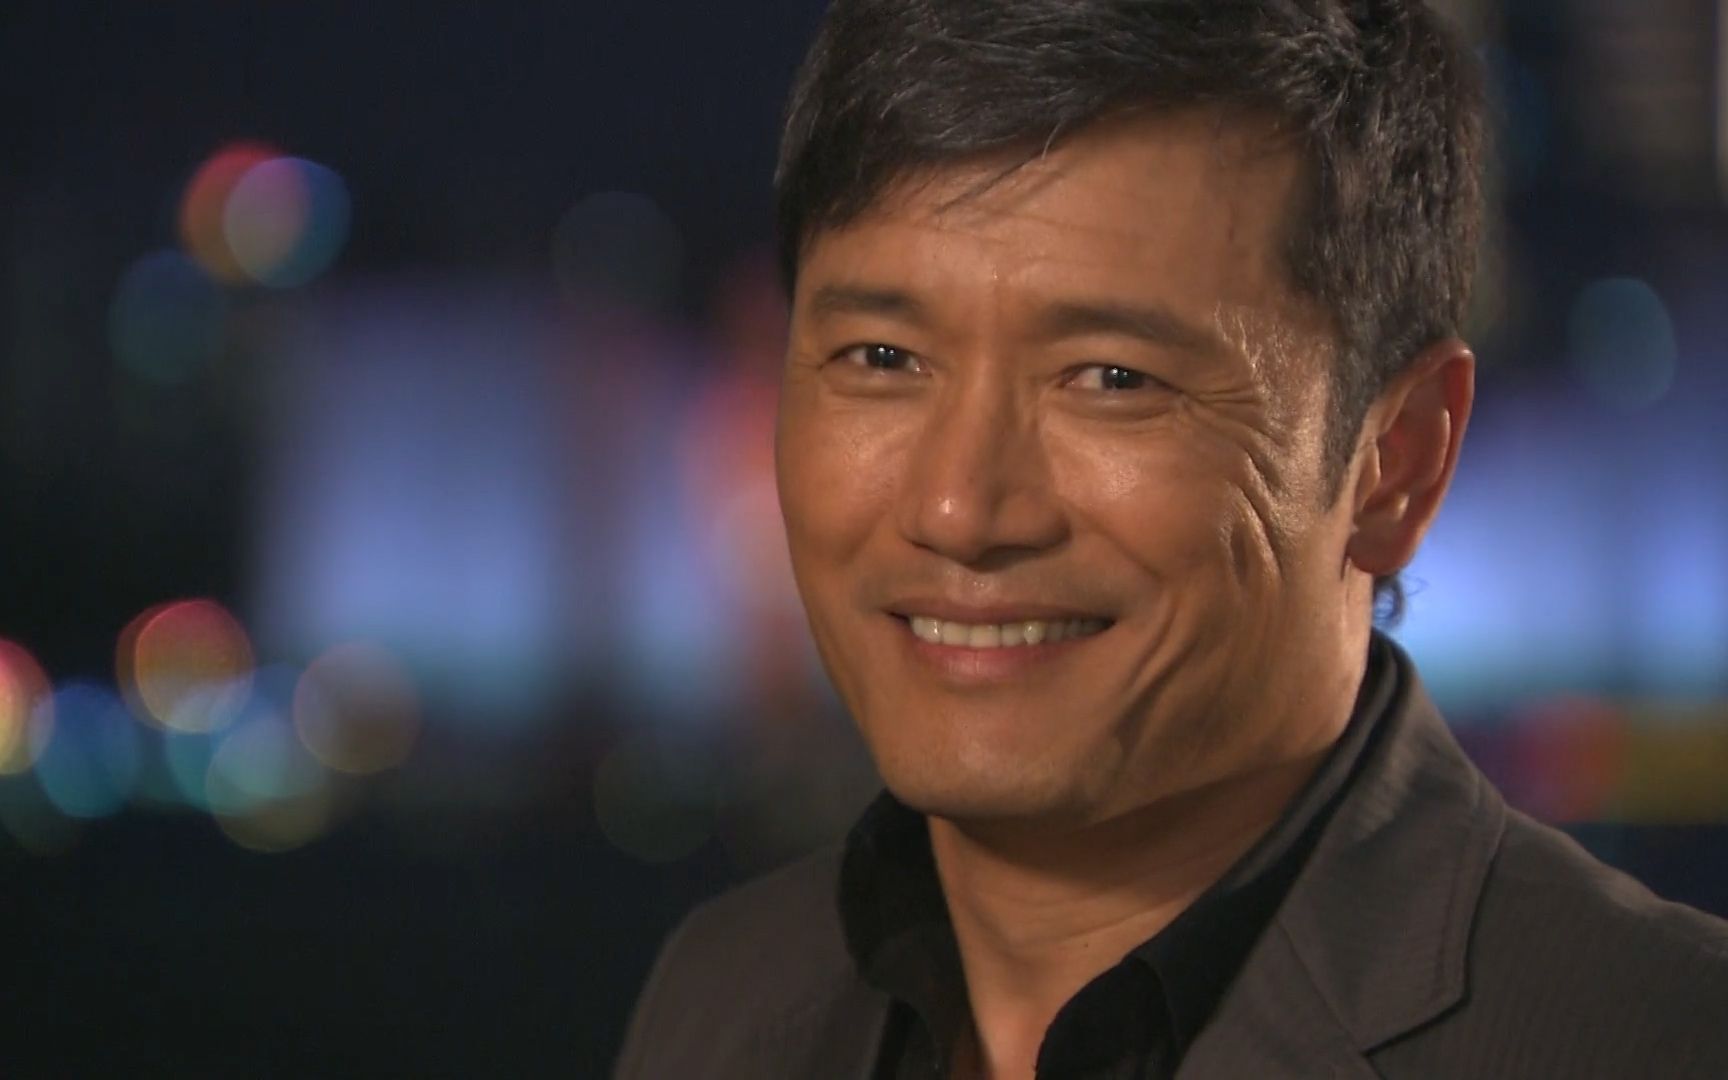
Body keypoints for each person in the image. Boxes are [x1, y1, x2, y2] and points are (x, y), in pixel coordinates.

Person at [614, 1, 1728, 1076]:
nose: (957, 509)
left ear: (1397, 461)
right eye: (883, 359)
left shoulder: (1655, 1044)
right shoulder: (724, 1006)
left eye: (1112, 378)